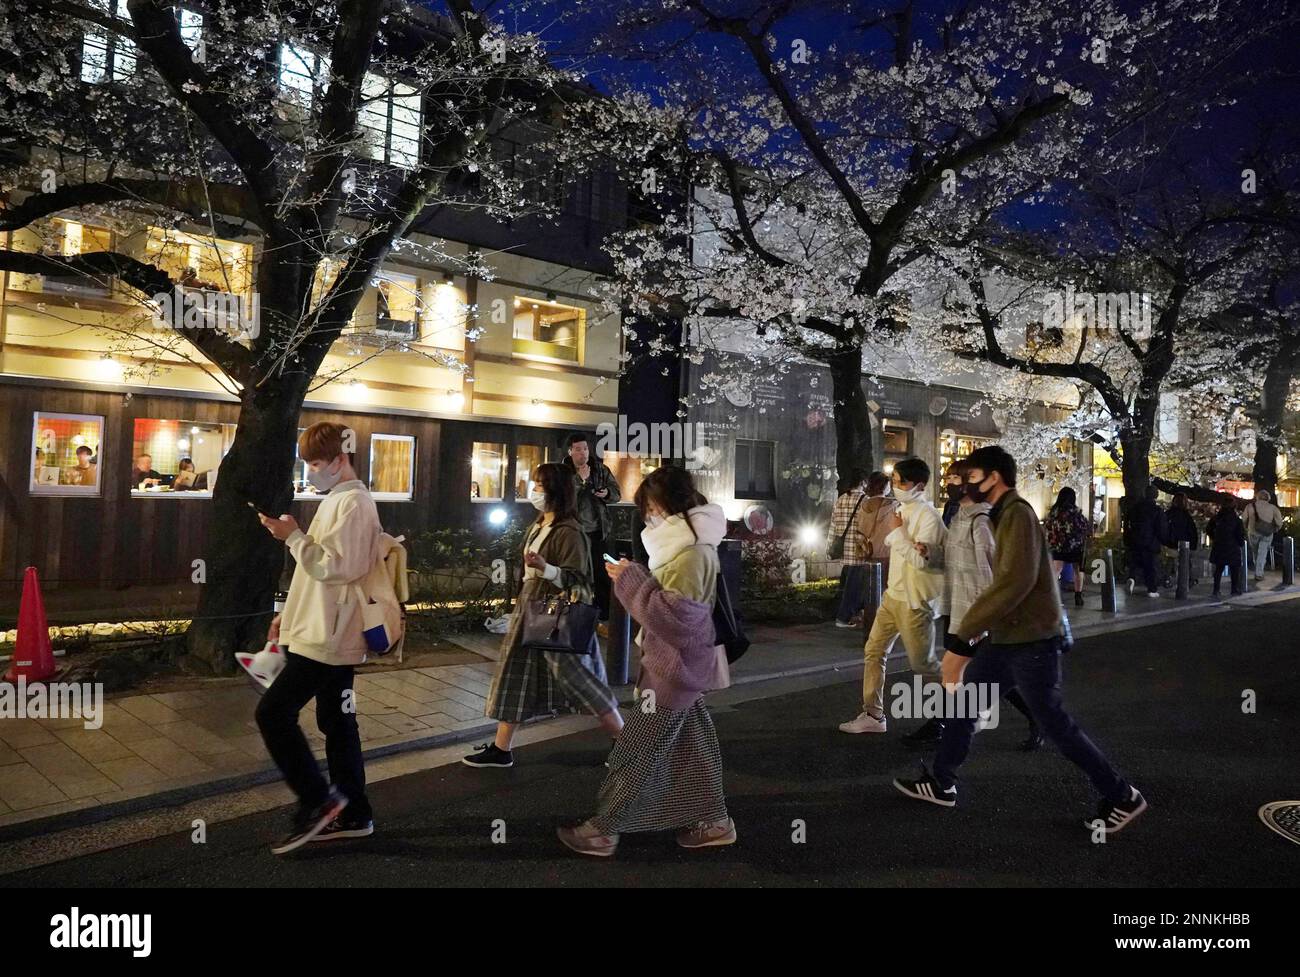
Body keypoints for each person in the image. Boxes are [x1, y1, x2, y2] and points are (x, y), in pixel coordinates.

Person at [895, 445, 1148, 836]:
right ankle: (942, 782)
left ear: (993, 477)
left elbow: (1015, 582)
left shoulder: (1016, 514)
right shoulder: (1002, 514)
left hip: (1031, 640)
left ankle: (1122, 796)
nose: (965, 483)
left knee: (1056, 724)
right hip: (1007, 637)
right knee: (965, 706)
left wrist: (961, 640)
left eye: (972, 476)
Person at [558, 466, 733, 857]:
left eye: (650, 506)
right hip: (681, 667)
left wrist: (629, 578)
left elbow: (678, 621)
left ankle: (603, 831)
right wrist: (632, 575)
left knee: (637, 751)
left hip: (674, 668)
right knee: (693, 748)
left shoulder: (690, 553)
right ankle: (714, 822)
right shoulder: (686, 544)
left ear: (665, 503)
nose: (649, 515)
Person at [254, 422, 379, 854]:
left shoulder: (353, 503)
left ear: (340, 460)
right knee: (338, 723)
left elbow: (335, 567)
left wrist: (292, 537)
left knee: (273, 713)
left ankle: (318, 801)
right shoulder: (341, 500)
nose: (310, 471)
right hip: (324, 628)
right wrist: (287, 616)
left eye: (316, 463)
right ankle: (354, 812)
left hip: (328, 634)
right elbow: (319, 570)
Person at [465, 462, 623, 769]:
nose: (533, 490)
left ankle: (626, 740)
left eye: (538, 485)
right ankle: (501, 748)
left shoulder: (570, 531)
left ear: (555, 491)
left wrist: (545, 568)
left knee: (579, 677)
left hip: (556, 613)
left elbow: (578, 579)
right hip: (532, 607)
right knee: (515, 673)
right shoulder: (540, 524)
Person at [839, 457, 947, 744]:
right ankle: (873, 715)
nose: (896, 486)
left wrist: (898, 532)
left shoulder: (928, 517)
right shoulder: (901, 509)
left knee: (923, 665)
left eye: (901, 482)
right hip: (893, 596)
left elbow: (922, 561)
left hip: (915, 601)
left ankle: (951, 716)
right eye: (894, 481)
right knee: (874, 651)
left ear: (919, 486)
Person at [938, 459, 1041, 752]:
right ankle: (947, 726)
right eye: (948, 478)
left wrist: (985, 618)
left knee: (963, 672)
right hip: (956, 608)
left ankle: (943, 728)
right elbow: (951, 560)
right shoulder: (958, 517)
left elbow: (991, 575)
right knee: (974, 674)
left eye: (955, 479)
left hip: (974, 614)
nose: (949, 484)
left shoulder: (983, 522)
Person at [562, 432, 622, 624]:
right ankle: (576, 612)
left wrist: (607, 493)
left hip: (599, 530)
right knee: (577, 573)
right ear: (570, 451)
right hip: (575, 531)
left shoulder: (600, 469)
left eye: (586, 449)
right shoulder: (564, 472)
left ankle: (603, 614)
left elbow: (617, 494)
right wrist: (581, 482)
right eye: (578, 449)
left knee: (602, 572)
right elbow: (563, 498)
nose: (583, 453)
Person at [828, 468, 870, 628]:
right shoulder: (866, 501)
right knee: (854, 587)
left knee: (849, 585)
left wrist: (829, 547)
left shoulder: (841, 499)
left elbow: (833, 525)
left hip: (844, 550)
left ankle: (851, 614)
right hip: (858, 551)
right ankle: (843, 618)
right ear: (863, 482)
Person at [1044, 486, 1092, 608]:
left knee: (1056, 570)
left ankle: (1051, 595)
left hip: (1058, 546)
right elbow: (1084, 526)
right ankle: (1078, 596)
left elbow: (1048, 528)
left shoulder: (1054, 513)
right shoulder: (1075, 513)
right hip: (1075, 546)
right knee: (1077, 570)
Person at [1124, 486, 1165, 597]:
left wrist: (1127, 538)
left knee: (1135, 563)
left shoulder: (1135, 508)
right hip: (1151, 542)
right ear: (1155, 495)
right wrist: (1163, 540)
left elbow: (1127, 523)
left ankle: (1132, 578)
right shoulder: (1157, 510)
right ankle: (1151, 589)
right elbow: (1161, 528)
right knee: (1150, 567)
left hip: (1135, 540)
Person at [1207, 499, 1245, 596]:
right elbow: (1240, 534)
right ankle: (1234, 589)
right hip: (1233, 546)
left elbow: (1209, 529)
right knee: (1234, 569)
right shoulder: (1236, 520)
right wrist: (1240, 543)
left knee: (1219, 569)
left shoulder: (1216, 518)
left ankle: (1216, 590)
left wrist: (1214, 537)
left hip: (1219, 545)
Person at [1244, 489, 1284, 582]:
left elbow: (1244, 519)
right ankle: (1259, 573)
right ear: (1268, 498)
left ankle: (1258, 571)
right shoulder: (1273, 508)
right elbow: (1279, 523)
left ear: (1257, 497)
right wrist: (1275, 530)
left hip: (1253, 533)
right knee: (1262, 553)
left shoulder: (1250, 506)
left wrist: (1247, 528)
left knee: (1255, 553)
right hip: (1267, 534)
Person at [1163, 493, 1201, 587]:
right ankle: (1189, 579)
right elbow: (1191, 530)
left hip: (1171, 542)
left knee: (1171, 560)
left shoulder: (1169, 514)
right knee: (1186, 561)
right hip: (1184, 542)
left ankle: (1166, 579)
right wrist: (1193, 544)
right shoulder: (1185, 515)